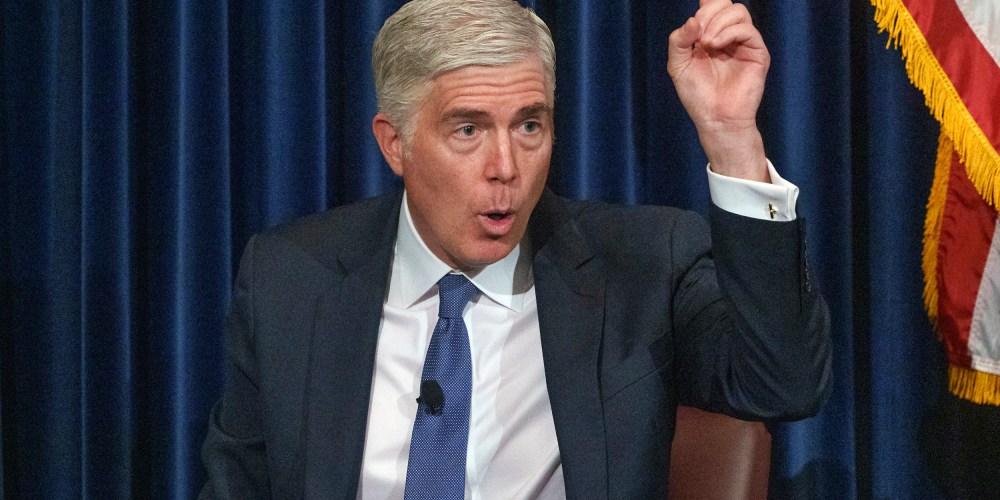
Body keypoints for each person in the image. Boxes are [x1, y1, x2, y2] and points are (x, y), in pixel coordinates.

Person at [200, 0, 832, 498]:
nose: (506, 166)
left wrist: (731, 140)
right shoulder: (290, 280)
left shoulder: (644, 265)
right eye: (468, 129)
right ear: (395, 145)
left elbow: (783, 383)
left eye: (530, 125)